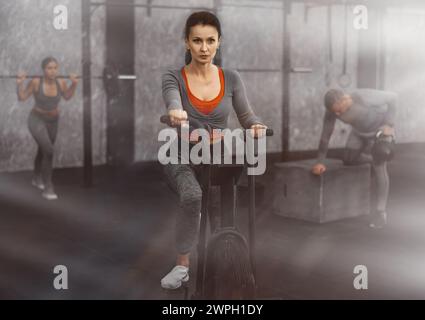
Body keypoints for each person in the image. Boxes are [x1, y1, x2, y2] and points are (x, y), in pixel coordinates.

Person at [160, 11, 267, 290]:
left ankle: (224, 264)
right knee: (194, 195)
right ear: (187, 42)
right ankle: (182, 265)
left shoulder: (231, 78)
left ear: (219, 42)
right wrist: (175, 112)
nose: (204, 48)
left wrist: (256, 125)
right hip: (181, 155)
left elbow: (247, 116)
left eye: (210, 41)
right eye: (197, 41)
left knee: (222, 218)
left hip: (218, 158)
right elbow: (172, 101)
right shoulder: (174, 77)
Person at [312, 88, 397, 229]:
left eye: (340, 110)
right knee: (349, 159)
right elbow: (325, 136)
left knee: (379, 163)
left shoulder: (362, 96)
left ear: (345, 99)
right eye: (335, 112)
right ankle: (373, 160)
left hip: (380, 131)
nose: (338, 114)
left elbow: (393, 97)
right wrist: (320, 162)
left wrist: (389, 124)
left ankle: (381, 212)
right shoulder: (333, 112)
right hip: (359, 133)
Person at [16, 57, 79, 200]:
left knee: (44, 149)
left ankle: (37, 177)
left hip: (53, 121)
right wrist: (19, 84)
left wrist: (74, 84)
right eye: (49, 68)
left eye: (55, 68)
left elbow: (67, 96)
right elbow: (22, 97)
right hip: (36, 119)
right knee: (49, 150)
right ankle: (48, 187)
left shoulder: (61, 82)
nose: (53, 71)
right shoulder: (36, 82)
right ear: (43, 70)